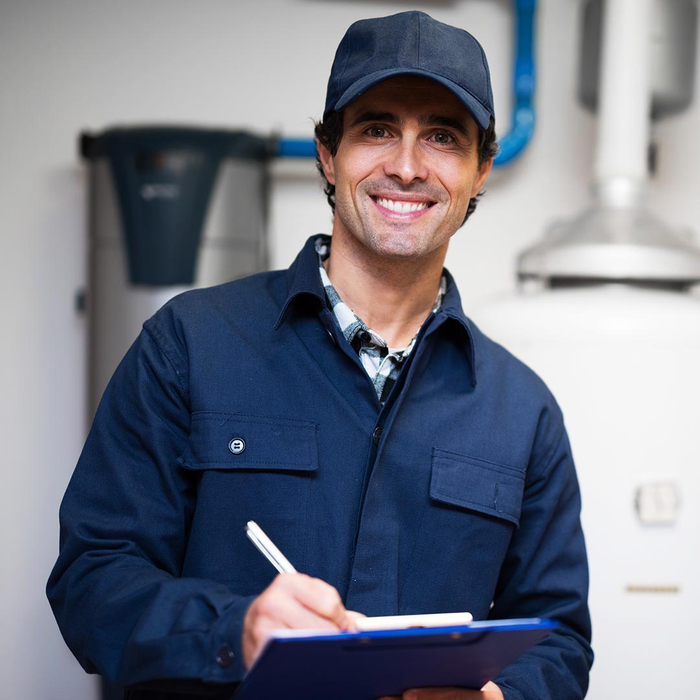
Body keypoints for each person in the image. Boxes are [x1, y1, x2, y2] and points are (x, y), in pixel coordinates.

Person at [48, 11, 593, 700]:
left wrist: (501, 697)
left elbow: (560, 639)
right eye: (376, 129)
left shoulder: (523, 411)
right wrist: (234, 630)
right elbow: (92, 578)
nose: (405, 164)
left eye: (443, 137)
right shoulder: (190, 343)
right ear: (328, 154)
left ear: (481, 169)